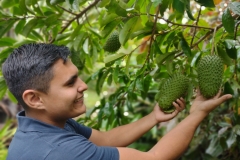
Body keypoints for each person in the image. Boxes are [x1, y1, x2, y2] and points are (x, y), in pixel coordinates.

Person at [2, 43, 232, 160]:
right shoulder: (62, 151)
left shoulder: (46, 125)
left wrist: (153, 117)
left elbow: (106, 139)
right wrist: (197, 112)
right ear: (34, 98)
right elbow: (154, 157)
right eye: (70, 83)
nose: (83, 85)